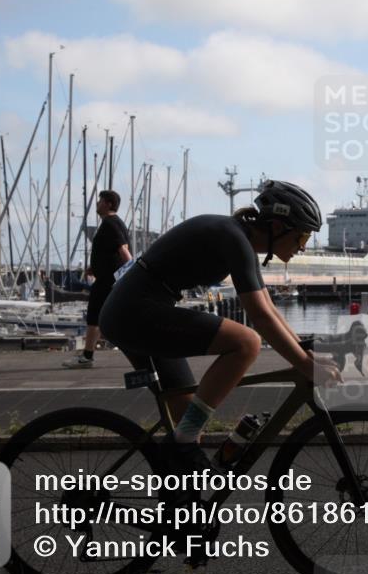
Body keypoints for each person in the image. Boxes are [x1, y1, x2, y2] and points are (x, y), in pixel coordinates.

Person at [99, 180, 342, 472]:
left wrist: (306, 354)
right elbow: (260, 317)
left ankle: (182, 504)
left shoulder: (241, 241)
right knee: (246, 343)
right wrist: (304, 364)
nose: (303, 247)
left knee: (188, 420)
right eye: (302, 238)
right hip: (134, 312)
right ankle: (182, 451)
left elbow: (269, 308)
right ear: (278, 227)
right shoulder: (234, 239)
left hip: (135, 311)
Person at [63, 190, 132, 368]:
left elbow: (124, 251)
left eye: (100, 201)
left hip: (107, 282)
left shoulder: (111, 224)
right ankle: (88, 356)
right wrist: (95, 267)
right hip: (107, 278)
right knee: (105, 317)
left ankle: (87, 357)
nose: (97, 204)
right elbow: (111, 252)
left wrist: (131, 276)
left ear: (108, 204)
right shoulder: (113, 223)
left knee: (95, 316)